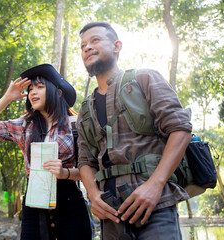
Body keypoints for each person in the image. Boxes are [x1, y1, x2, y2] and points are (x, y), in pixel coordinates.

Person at [77, 22, 193, 240]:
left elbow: (180, 129)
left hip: (155, 206)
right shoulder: (85, 109)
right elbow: (85, 160)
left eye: (95, 40)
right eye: (83, 45)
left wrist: (155, 186)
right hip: (110, 213)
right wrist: (93, 195)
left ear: (116, 46)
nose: (87, 47)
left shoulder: (145, 78)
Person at [0, 64, 92, 240]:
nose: (32, 92)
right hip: (33, 205)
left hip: (70, 205)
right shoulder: (24, 125)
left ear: (58, 92)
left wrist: (64, 173)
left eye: (40, 87)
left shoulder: (76, 124)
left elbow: (90, 169)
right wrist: (7, 97)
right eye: (30, 89)